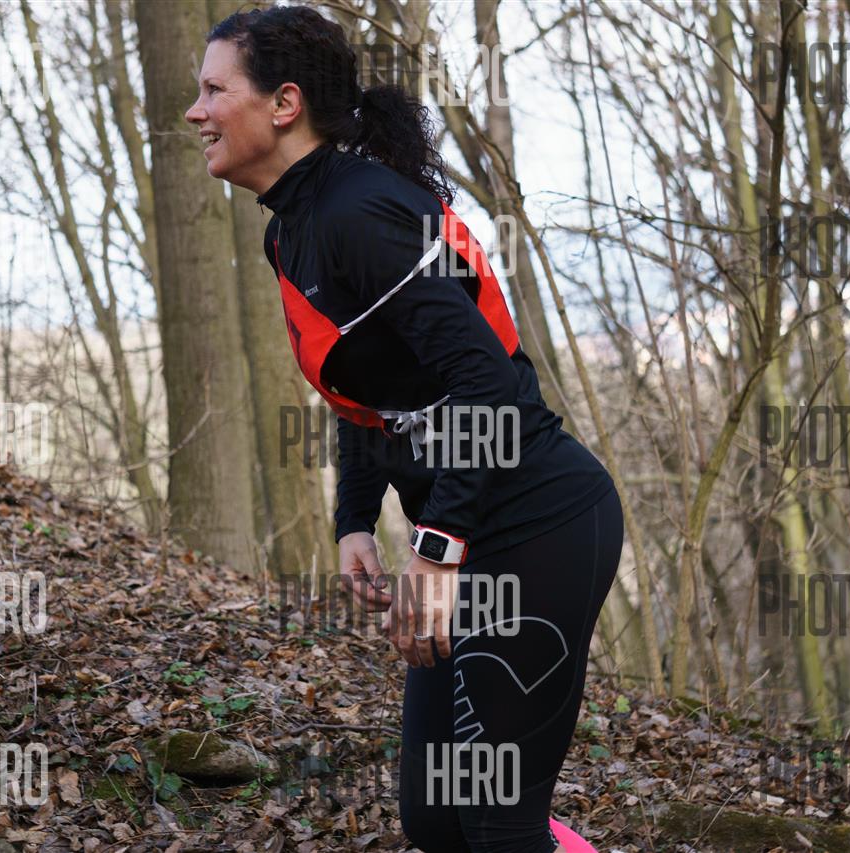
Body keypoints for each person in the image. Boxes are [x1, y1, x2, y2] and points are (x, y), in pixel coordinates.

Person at [189, 7, 623, 852]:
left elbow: (486, 382)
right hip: (467, 534)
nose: (195, 110)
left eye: (213, 90)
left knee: (497, 820)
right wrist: (355, 517)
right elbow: (370, 388)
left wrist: (436, 549)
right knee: (438, 817)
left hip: (539, 523)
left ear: (284, 104)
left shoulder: (358, 214)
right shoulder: (292, 231)